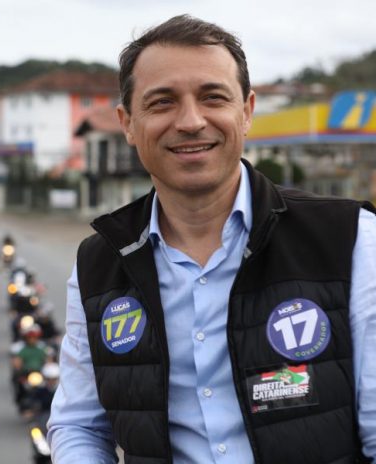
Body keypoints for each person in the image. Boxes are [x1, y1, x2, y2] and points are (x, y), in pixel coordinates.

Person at [47, 14, 376, 464]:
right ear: (127, 123)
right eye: (161, 103)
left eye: (212, 97)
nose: (190, 121)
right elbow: (79, 424)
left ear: (246, 111)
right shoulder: (97, 263)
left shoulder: (352, 239)